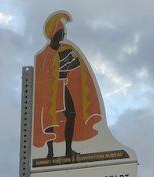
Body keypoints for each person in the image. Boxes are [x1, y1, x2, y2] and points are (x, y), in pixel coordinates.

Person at [33, 11, 102, 161]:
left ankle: (68, 150)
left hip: (61, 86)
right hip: (50, 89)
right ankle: (50, 152)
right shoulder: (43, 55)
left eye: (64, 31)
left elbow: (74, 64)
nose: (64, 34)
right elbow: (43, 74)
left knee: (71, 115)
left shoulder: (65, 50)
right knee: (49, 118)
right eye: (61, 31)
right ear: (54, 33)